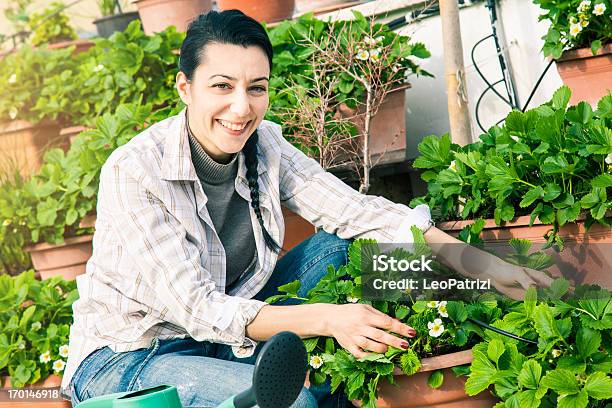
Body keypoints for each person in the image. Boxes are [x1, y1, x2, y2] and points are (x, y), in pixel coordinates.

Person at [60, 10, 552, 408]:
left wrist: (483, 266)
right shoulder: (135, 171)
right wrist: (331, 319)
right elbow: (199, 309)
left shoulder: (265, 143)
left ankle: (457, 318)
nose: (241, 108)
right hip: (132, 357)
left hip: (226, 333)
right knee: (298, 404)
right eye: (221, 86)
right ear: (185, 88)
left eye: (256, 88)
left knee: (345, 247)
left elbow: (359, 213)